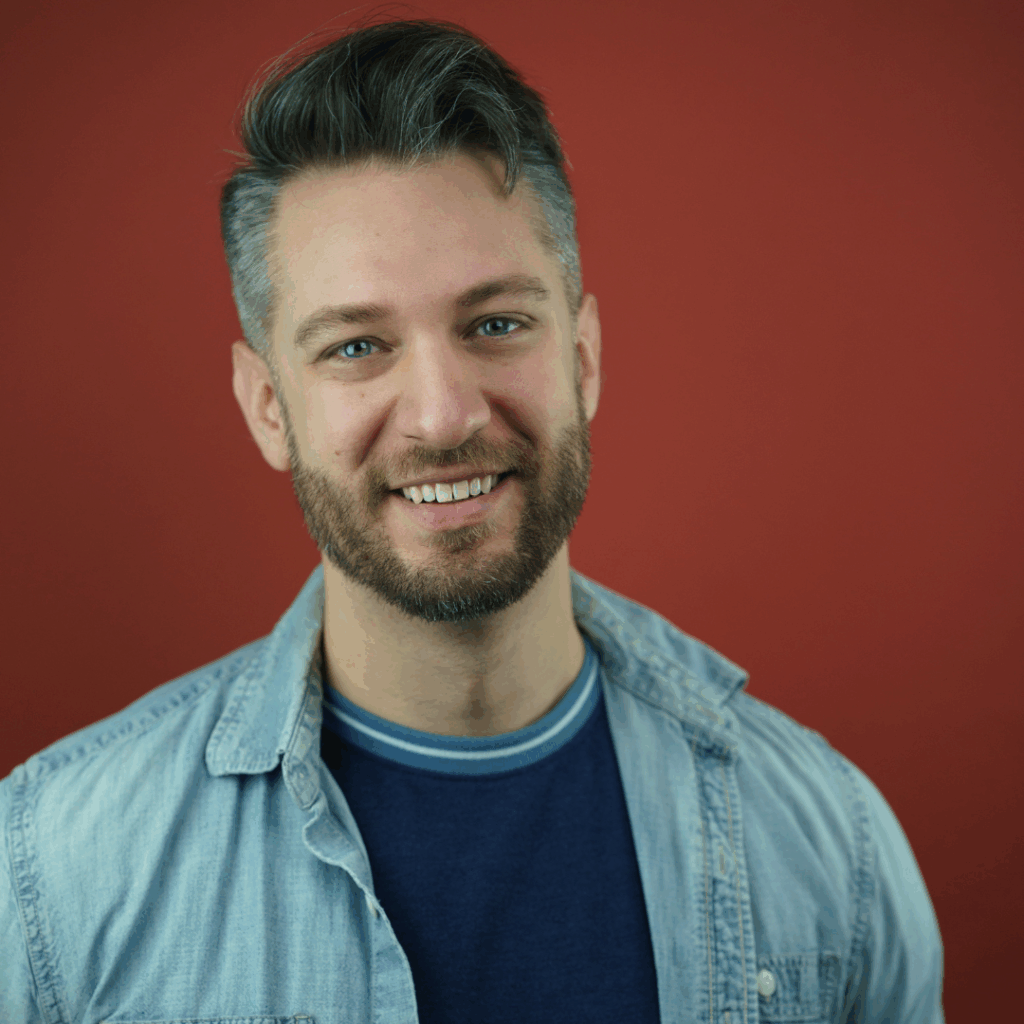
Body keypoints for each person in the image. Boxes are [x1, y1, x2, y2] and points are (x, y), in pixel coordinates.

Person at [0, 19, 944, 1024]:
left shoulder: (828, 845)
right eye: (357, 346)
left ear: (581, 357)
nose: (444, 414)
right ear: (268, 406)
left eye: (495, 324)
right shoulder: (51, 872)